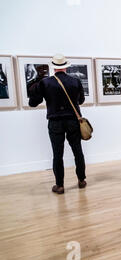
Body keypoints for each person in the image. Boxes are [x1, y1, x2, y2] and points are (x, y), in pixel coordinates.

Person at [28, 54, 86, 194]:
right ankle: (81, 180)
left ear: (53, 67)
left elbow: (33, 103)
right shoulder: (75, 81)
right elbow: (81, 101)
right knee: (77, 151)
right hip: (72, 121)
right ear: (66, 66)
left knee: (57, 154)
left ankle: (59, 186)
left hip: (55, 122)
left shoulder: (46, 83)